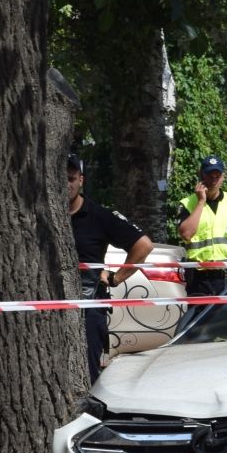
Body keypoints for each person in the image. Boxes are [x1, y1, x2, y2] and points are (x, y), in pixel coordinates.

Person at [67, 154, 153, 383]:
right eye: (59, 179)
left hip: (88, 309)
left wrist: (116, 278)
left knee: (85, 375)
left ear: (81, 180)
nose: (65, 184)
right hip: (47, 308)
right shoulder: (39, 215)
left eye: (70, 178)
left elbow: (143, 246)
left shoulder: (99, 215)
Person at [176, 155, 227, 296]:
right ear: (201, 176)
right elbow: (186, 234)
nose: (213, 180)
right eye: (210, 176)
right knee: (199, 317)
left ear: (223, 177)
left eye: (217, 176)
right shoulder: (188, 203)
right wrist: (200, 202)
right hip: (200, 276)